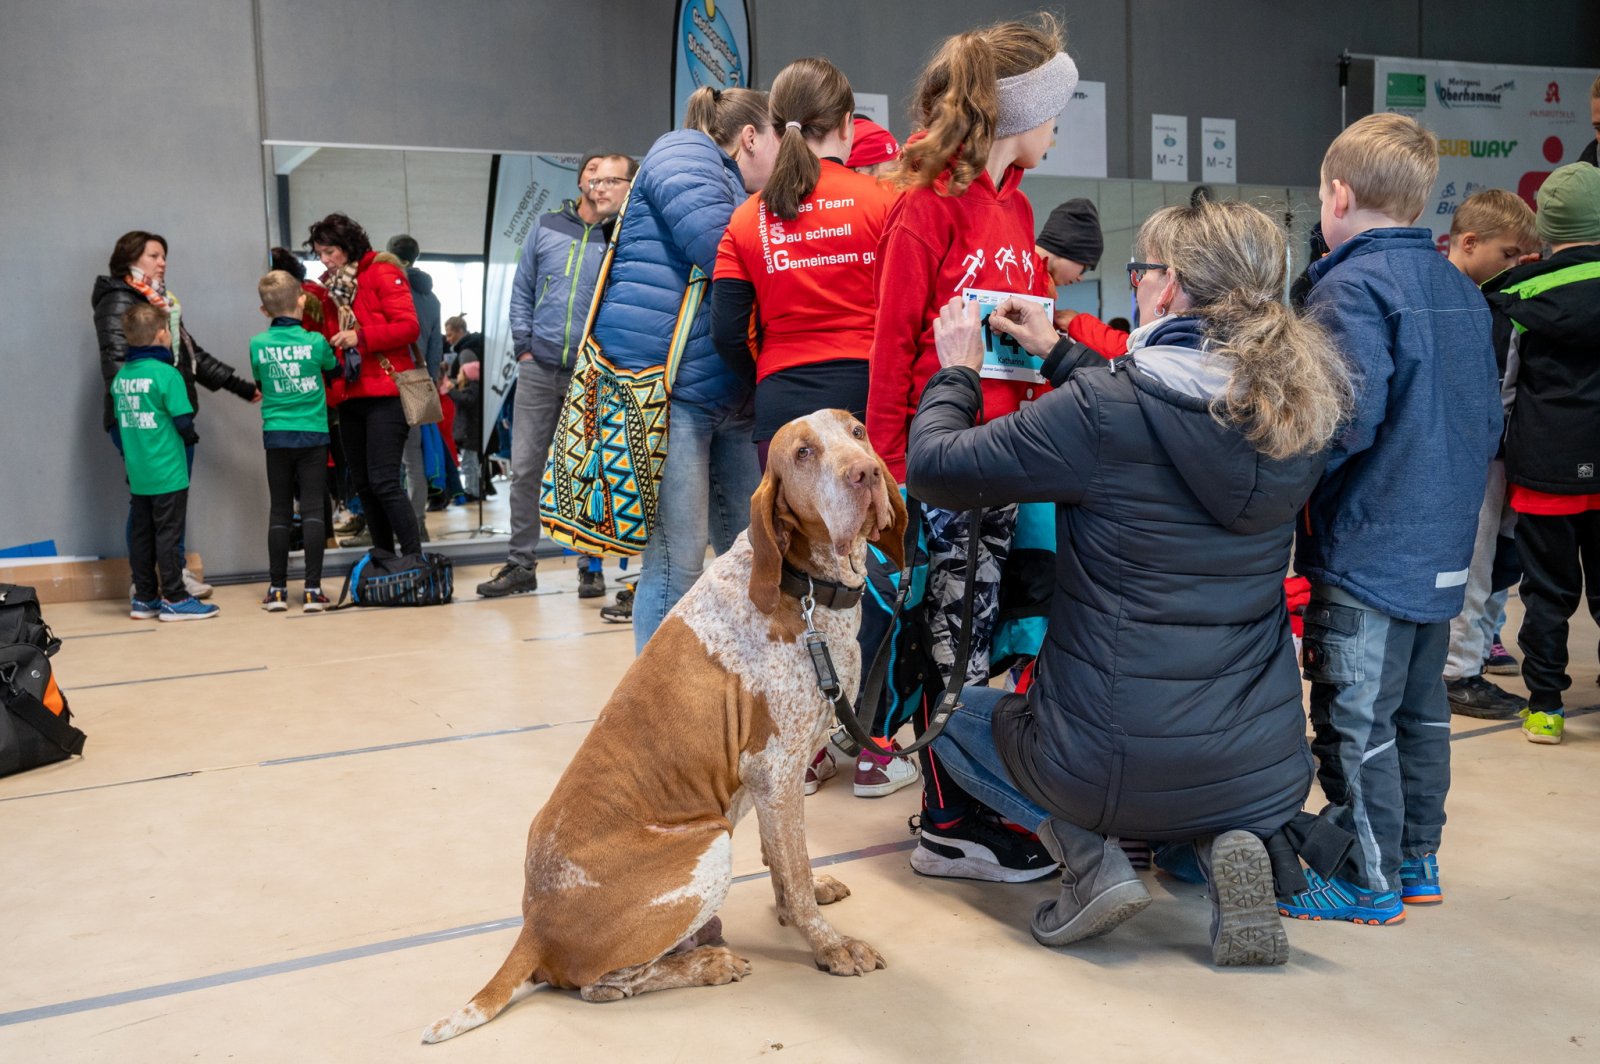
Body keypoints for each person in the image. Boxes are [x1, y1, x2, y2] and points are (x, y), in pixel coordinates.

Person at [904, 198, 1350, 965]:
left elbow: (936, 466)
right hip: (1257, 763)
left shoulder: (1102, 409)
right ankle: (1227, 840)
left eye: (1144, 270)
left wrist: (956, 374)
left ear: (1168, 285)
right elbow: (1169, 420)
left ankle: (1092, 862)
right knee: (1192, 767)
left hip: (1104, 760)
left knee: (951, 718)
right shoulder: (1299, 411)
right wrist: (1060, 354)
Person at [1283, 113, 1500, 923]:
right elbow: (1487, 419)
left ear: (1338, 196)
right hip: (1441, 543)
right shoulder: (1460, 288)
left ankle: (1366, 883)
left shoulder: (1350, 288)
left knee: (1353, 720)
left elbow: (1345, 419)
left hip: (1368, 548)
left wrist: (1288, 483)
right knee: (1420, 714)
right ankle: (1415, 863)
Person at [867, 13, 1077, 830]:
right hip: (945, 464)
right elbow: (892, 345)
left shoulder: (1019, 214)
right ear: (1021, 112)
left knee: (989, 636)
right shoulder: (925, 207)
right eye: (1055, 112)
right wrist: (892, 470)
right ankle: (949, 819)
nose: (1058, 130)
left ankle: (974, 800)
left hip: (1009, 462)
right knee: (944, 641)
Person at [710, 56, 902, 798]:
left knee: (801, 574)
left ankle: (810, 744)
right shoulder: (881, 202)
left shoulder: (746, 219)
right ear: (847, 125)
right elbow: (905, 312)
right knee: (880, 568)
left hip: (784, 411)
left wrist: (772, 368)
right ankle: (875, 745)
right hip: (866, 403)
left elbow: (727, 330)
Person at [591, 87, 779, 647]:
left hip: (723, 392)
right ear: (750, 137)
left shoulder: (726, 178)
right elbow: (725, 251)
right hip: (672, 395)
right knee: (677, 562)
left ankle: (734, 685)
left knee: (748, 555)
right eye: (780, 139)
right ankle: (656, 701)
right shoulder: (684, 155)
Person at [477, 151, 636, 600]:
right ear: (581, 180)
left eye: (608, 177)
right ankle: (520, 564)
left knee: (588, 469)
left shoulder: (620, 235)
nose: (599, 181)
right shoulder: (547, 225)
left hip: (589, 373)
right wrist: (525, 348)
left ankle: (591, 567)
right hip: (538, 368)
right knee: (526, 468)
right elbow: (522, 289)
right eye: (592, 172)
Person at [1483, 163, 1600, 745]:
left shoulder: (1519, 292)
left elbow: (1504, 390)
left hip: (1544, 470)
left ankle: (1546, 707)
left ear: (1547, 227)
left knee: (1546, 593)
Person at [93, 230, 258, 598]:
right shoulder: (119, 300)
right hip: (144, 421)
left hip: (169, 418)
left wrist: (240, 387)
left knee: (169, 502)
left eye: (164, 256)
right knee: (148, 504)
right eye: (153, 255)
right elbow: (117, 364)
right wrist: (142, 415)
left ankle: (171, 576)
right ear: (130, 259)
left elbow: (191, 355)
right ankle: (147, 584)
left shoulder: (162, 303)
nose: (162, 262)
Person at [1440, 190, 1541, 719]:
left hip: (1500, 455)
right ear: (1469, 242)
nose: (1515, 264)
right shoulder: (1449, 299)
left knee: (1499, 565)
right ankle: (1457, 673)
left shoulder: (1497, 298)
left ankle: (1475, 657)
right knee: (1473, 567)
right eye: (1508, 254)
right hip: (1470, 458)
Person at [306, 212, 423, 559]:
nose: (325, 260)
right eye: (320, 254)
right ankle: (384, 558)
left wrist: (361, 337)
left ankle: (414, 560)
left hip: (387, 393)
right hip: (350, 395)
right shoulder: (333, 289)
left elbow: (409, 327)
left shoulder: (381, 272)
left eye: (329, 252)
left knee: (384, 481)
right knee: (366, 486)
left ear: (347, 246)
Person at [112, 304, 218, 622]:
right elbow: (183, 420)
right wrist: (190, 436)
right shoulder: (167, 375)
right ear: (161, 335)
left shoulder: (121, 377)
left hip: (139, 472)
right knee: (168, 535)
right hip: (168, 471)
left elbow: (118, 425)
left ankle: (144, 598)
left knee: (142, 534)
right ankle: (175, 597)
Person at [250, 270, 339, 612]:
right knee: (314, 509)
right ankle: (313, 591)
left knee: (280, 510)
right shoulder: (316, 342)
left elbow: (260, 380)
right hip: (313, 434)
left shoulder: (257, 344)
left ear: (264, 310)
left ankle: (277, 590)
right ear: (302, 300)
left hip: (277, 435)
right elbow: (332, 368)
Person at [387, 234, 444, 540]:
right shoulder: (431, 299)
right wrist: (428, 381)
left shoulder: (389, 290)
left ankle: (389, 526)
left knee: (385, 461)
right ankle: (418, 522)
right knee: (414, 460)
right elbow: (435, 350)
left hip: (388, 379)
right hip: (418, 382)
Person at [443, 315, 486, 499]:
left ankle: (472, 491)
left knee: (470, 462)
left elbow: (467, 398)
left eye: (450, 334)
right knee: (472, 461)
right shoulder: (473, 347)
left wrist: (451, 389)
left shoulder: (466, 353)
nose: (448, 339)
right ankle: (476, 489)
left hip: (470, 428)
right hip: (473, 427)